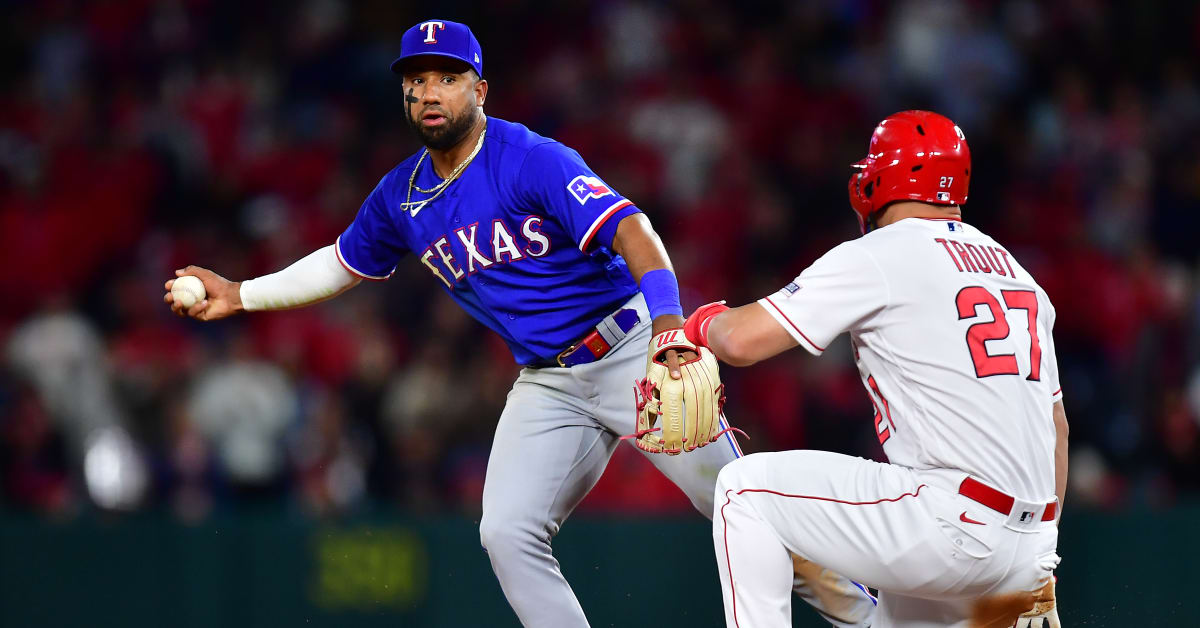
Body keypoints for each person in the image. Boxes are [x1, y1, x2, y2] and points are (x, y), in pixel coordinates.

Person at [163, 19, 876, 628]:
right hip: (548, 381)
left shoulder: (528, 157)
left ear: (480, 89)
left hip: (628, 346)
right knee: (505, 533)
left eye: (446, 77)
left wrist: (666, 330)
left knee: (740, 504)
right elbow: (341, 264)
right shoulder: (399, 196)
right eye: (416, 80)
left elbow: (637, 235)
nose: (428, 92)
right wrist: (243, 295)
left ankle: (870, 620)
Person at [682, 111, 1067, 627]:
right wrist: (1040, 555)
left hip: (949, 524)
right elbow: (1056, 428)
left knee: (744, 490)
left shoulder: (885, 251)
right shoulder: (1019, 274)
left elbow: (740, 341)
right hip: (1029, 548)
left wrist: (695, 323)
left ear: (882, 177)